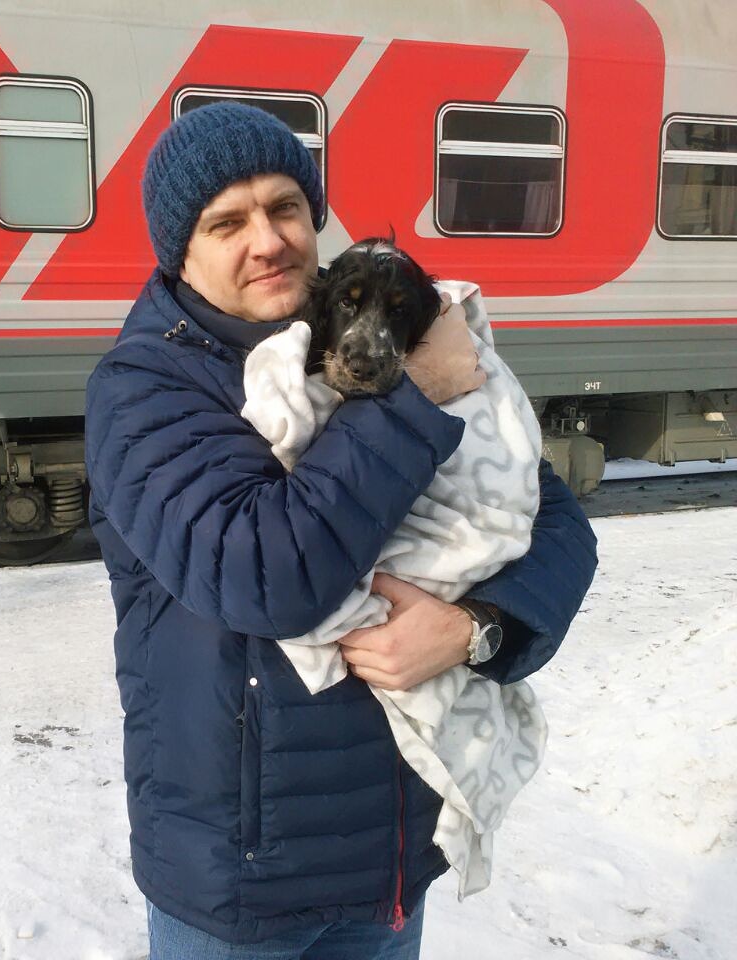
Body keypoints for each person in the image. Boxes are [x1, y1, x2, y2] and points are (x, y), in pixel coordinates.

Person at [84, 101, 597, 959]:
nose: (268, 240)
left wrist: (476, 627)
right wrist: (412, 397)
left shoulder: (372, 327)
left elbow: (552, 520)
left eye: (285, 207)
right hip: (242, 882)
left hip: (387, 861)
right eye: (227, 222)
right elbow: (263, 575)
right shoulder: (146, 389)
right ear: (181, 250)